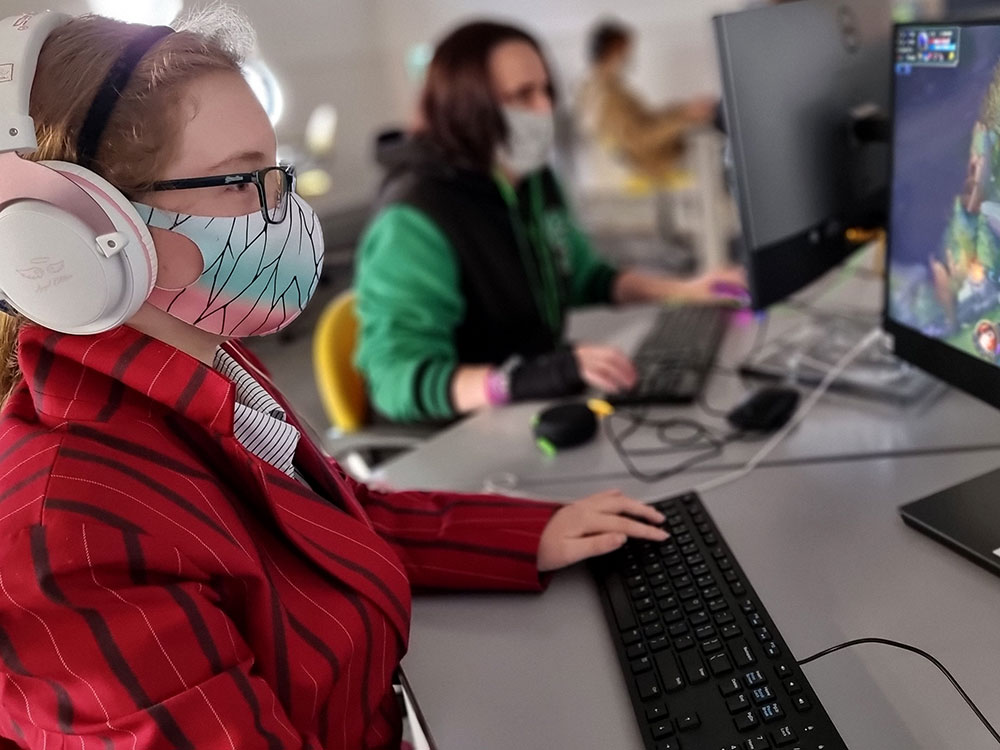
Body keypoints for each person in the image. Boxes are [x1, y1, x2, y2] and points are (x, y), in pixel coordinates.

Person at [0, 11, 670, 749]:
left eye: (278, 175)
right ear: (83, 229)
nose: (288, 214)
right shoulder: (70, 535)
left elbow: (336, 523)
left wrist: (530, 533)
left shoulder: (211, 364)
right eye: (244, 181)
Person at [355, 21, 746, 425]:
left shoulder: (530, 180)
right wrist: (519, 380)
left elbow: (584, 276)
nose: (544, 109)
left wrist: (685, 289)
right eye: (523, 95)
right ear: (466, 106)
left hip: (529, 400)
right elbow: (393, 381)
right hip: (456, 428)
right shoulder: (415, 217)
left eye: (546, 91)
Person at [575, 18, 718, 180]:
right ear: (614, 48)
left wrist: (684, 111)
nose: (628, 56)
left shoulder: (592, 89)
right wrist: (684, 118)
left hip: (649, 162)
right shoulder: (606, 96)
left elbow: (643, 122)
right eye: (625, 50)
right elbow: (639, 139)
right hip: (655, 165)